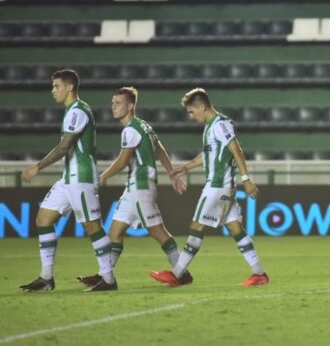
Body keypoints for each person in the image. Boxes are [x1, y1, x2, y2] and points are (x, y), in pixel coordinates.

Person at [150, 88, 269, 287]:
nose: (191, 116)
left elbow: (236, 149)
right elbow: (207, 156)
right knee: (235, 228)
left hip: (217, 186)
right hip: (225, 188)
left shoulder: (220, 124)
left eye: (191, 112)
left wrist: (246, 178)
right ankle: (259, 274)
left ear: (202, 107)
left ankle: (177, 274)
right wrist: (185, 167)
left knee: (197, 226)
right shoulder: (210, 127)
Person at [76, 87, 191, 288]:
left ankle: (182, 272)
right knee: (115, 232)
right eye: (112, 103)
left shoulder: (130, 129)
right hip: (134, 188)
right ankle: (106, 276)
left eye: (118, 103)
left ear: (130, 105)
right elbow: (160, 148)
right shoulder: (143, 126)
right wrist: (171, 172)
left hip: (140, 187)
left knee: (158, 232)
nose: (113, 106)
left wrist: (101, 177)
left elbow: (122, 161)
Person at [20, 69, 117, 292]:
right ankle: (46, 277)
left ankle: (109, 279)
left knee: (92, 226)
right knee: (43, 219)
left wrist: (37, 166)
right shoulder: (71, 111)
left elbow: (65, 147)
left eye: (56, 86)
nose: (53, 90)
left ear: (70, 87)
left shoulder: (78, 111)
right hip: (69, 177)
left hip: (81, 177)